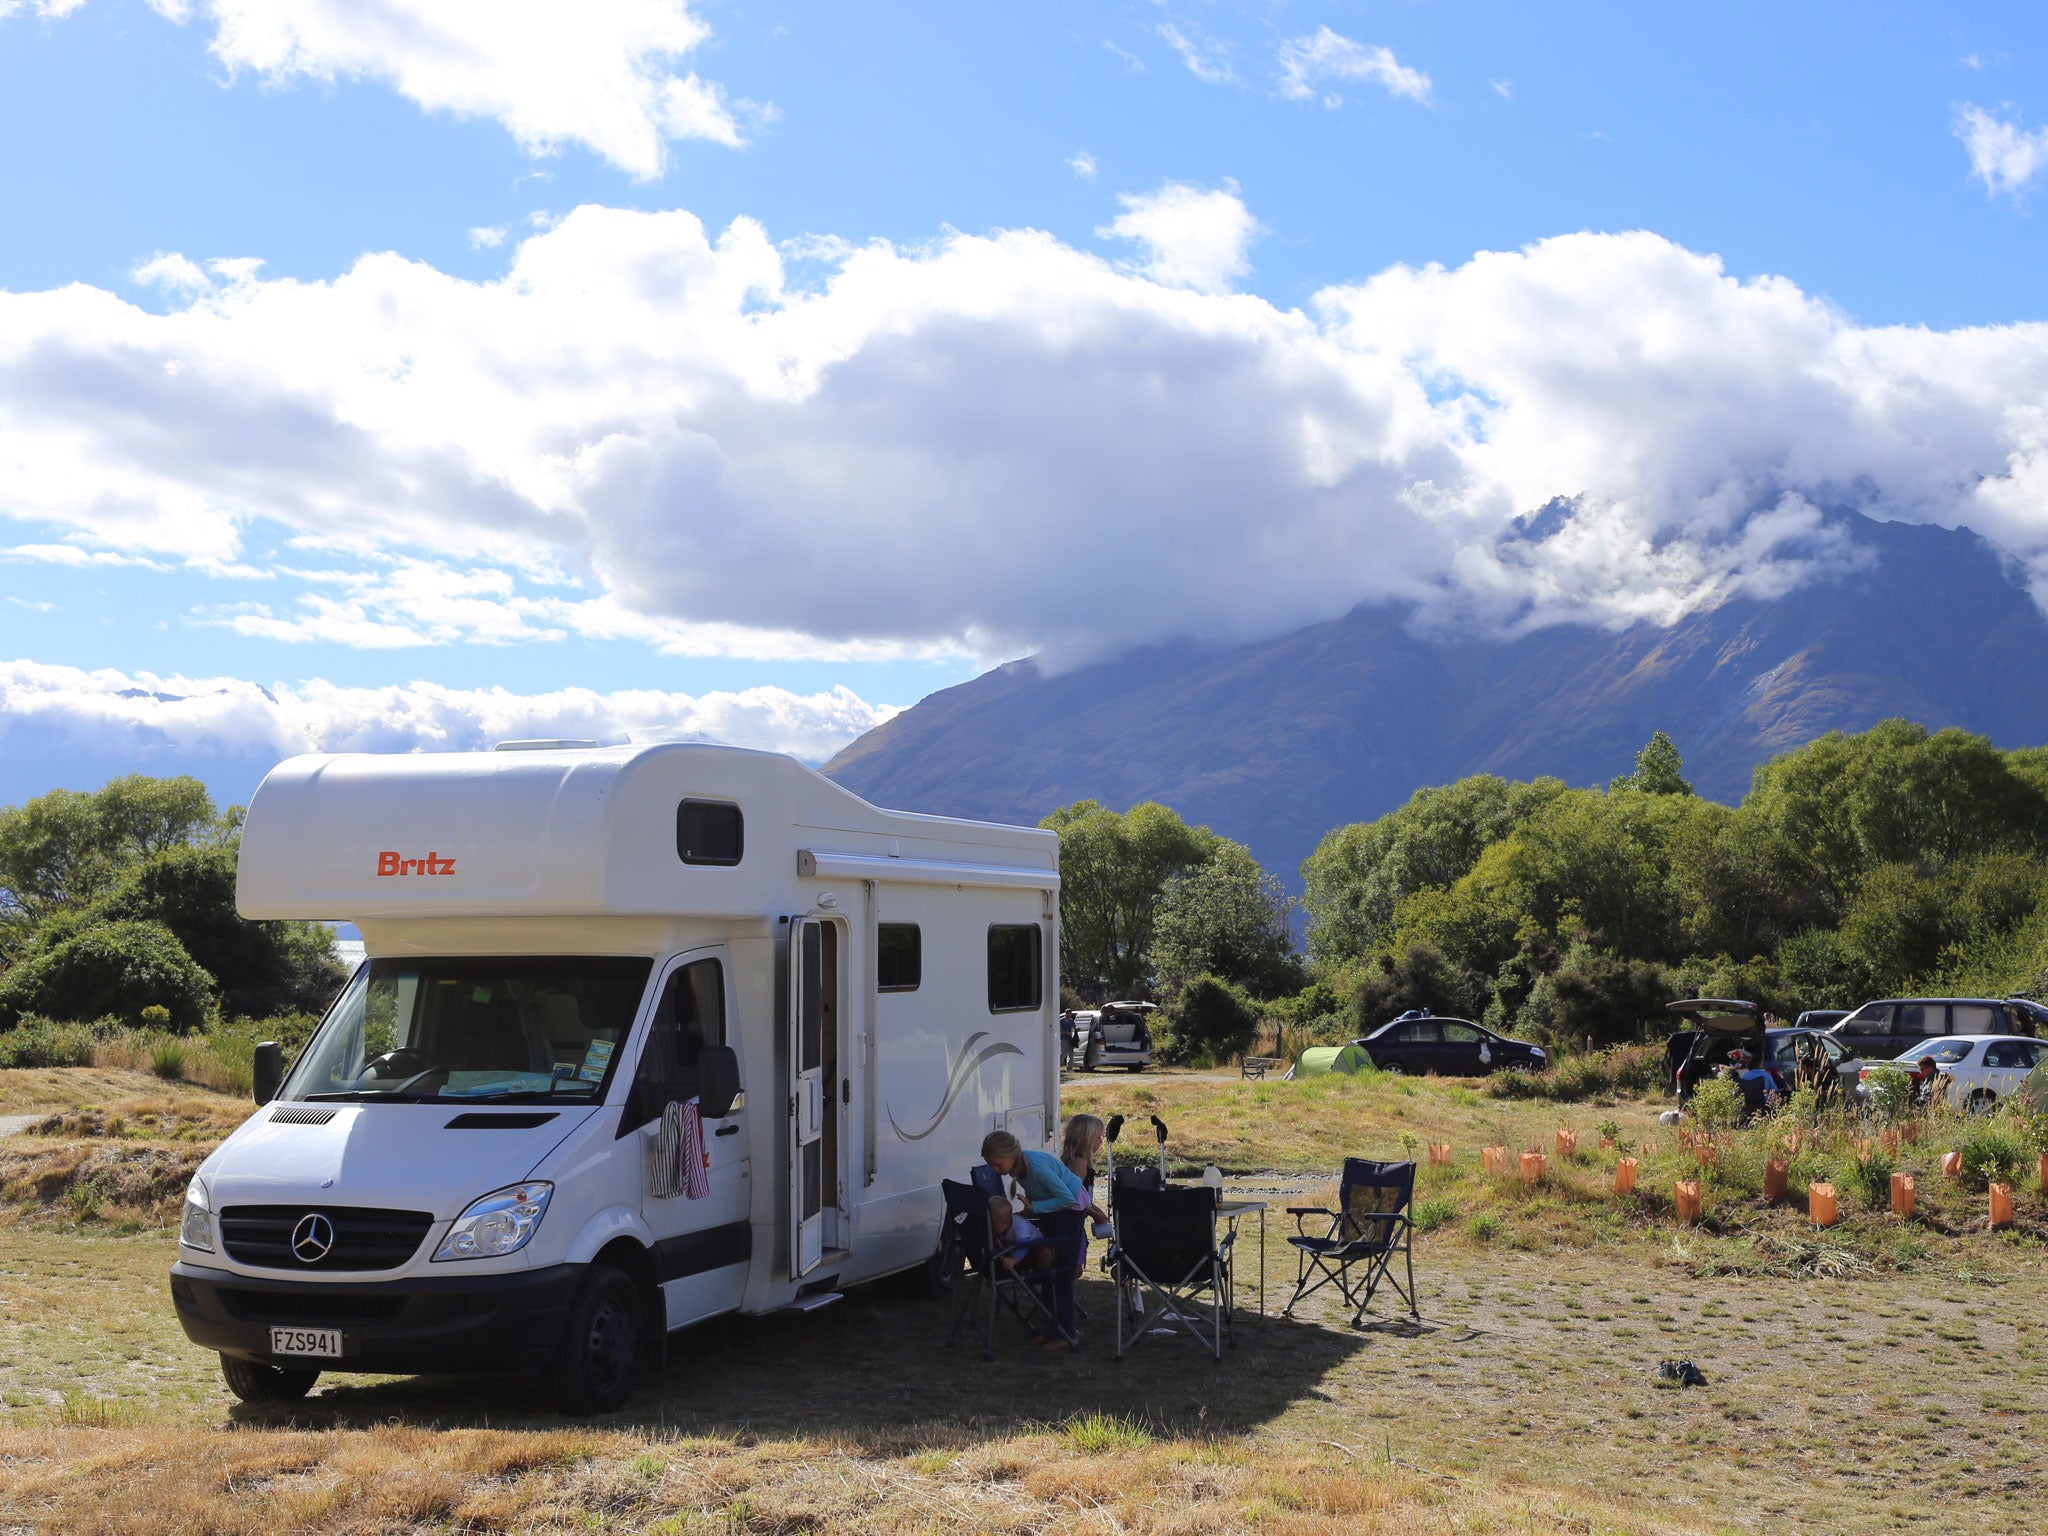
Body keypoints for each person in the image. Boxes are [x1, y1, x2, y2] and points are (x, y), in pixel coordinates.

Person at [980, 1129, 1086, 1349]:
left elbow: (1066, 1197)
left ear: (1010, 1154)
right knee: (1049, 1271)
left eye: (997, 1164)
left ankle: (1067, 1334)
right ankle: (1051, 1329)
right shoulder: (1016, 1166)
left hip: (1071, 1209)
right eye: (991, 1164)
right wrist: (1033, 1209)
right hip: (1053, 1209)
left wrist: (1035, 1207)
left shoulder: (1036, 1167)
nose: (995, 1169)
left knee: (1063, 1273)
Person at [1060, 1113, 1111, 1278]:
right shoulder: (1079, 1163)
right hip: (1071, 1222)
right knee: (1073, 1268)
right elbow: (1074, 1198)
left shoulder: (1078, 1161)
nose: (1101, 1141)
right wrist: (1095, 1214)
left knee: (1074, 1266)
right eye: (1098, 1137)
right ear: (1084, 1138)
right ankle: (1062, 1298)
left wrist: (1096, 1209)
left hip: (1075, 1220)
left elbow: (1084, 1196)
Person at [987, 1196, 1052, 1273]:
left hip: (1034, 1244)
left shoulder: (1020, 1227)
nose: (990, 1226)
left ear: (1005, 1222)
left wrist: (1013, 1260)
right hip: (1015, 1246)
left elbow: (1023, 1247)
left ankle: (1042, 1272)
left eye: (993, 1225)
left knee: (1044, 1252)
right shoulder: (1003, 1223)